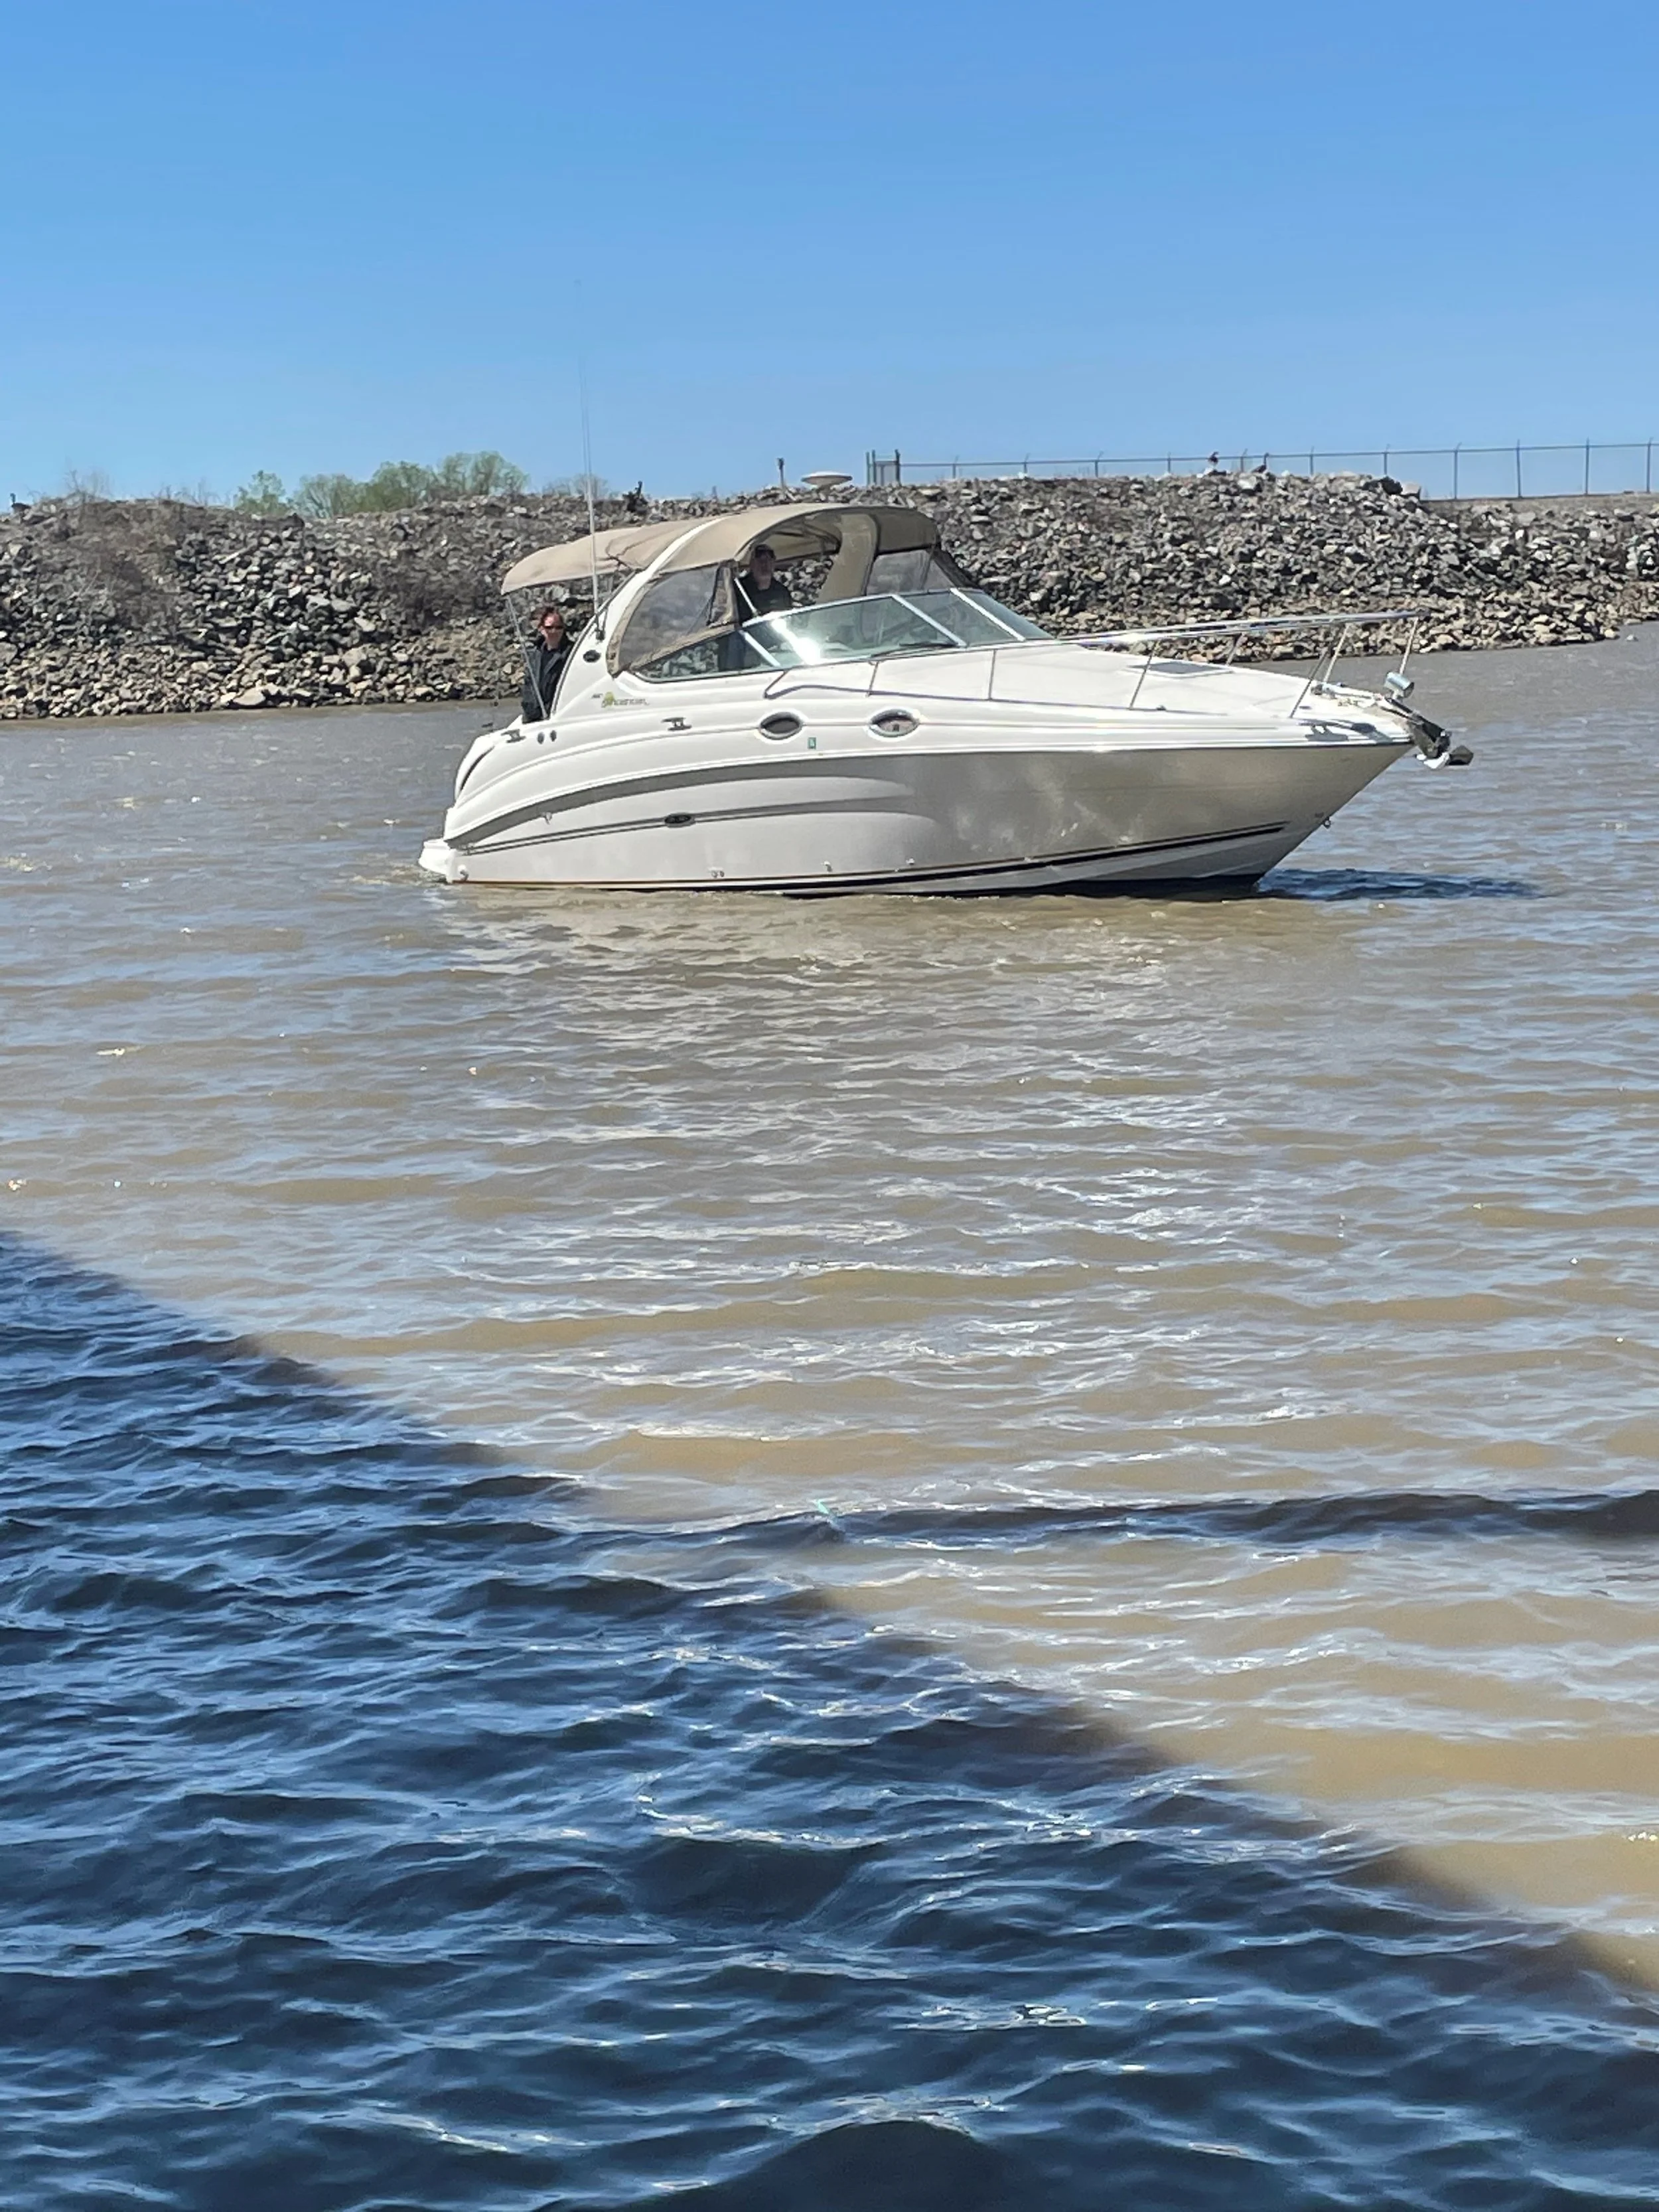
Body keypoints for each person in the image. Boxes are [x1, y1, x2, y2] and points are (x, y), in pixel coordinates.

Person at [522, 603, 573, 723]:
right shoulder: (535, 655)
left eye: (559, 627)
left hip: (559, 717)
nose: (554, 631)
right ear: (542, 629)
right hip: (533, 718)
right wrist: (531, 711)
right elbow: (528, 686)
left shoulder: (570, 653)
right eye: (550, 627)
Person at [733, 542, 792, 621]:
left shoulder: (782, 592)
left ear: (774, 563)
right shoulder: (738, 590)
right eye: (760, 561)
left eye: (768, 560)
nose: (764, 564)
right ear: (751, 564)